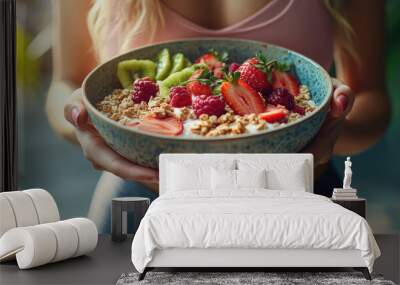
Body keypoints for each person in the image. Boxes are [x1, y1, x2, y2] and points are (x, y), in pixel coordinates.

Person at [46, 0, 390, 232]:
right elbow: (66, 85)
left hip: (299, 199)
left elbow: (372, 99)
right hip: (143, 202)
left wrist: (328, 125)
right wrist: (85, 124)